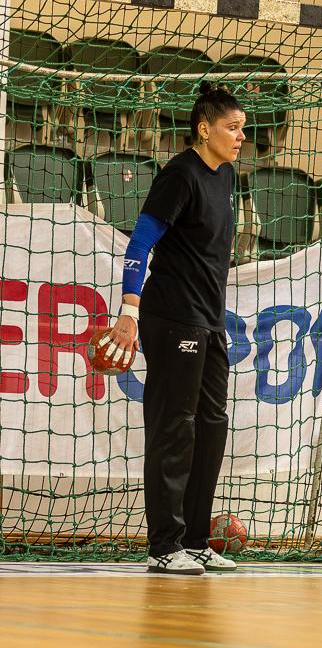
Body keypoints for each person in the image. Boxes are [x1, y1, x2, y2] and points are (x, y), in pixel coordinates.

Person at [98, 82, 246, 575]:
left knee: (212, 426)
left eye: (242, 128)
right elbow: (140, 243)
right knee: (174, 428)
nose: (240, 136)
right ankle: (165, 546)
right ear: (204, 129)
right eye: (232, 127)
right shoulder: (179, 176)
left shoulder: (226, 175)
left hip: (210, 319)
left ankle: (197, 541)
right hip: (171, 317)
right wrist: (129, 310)